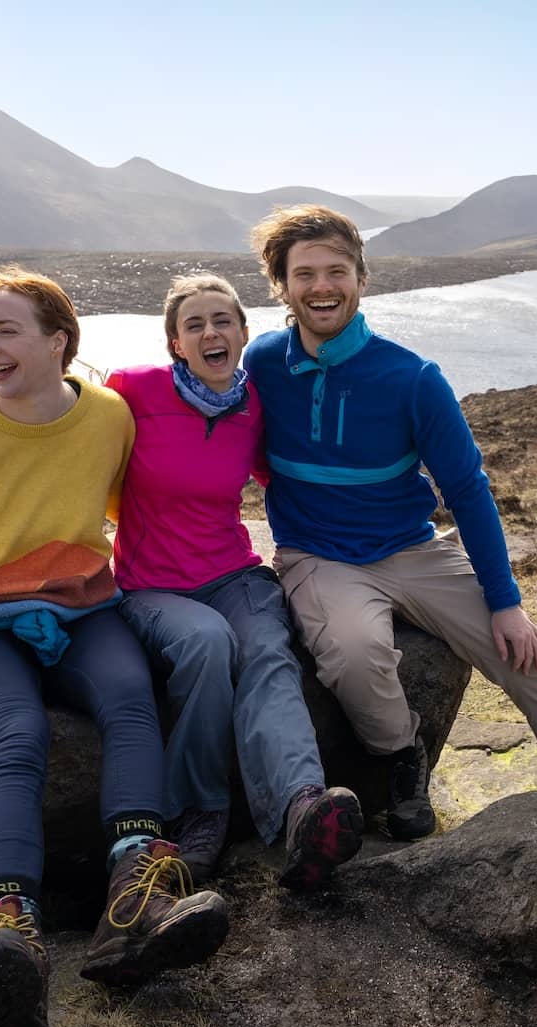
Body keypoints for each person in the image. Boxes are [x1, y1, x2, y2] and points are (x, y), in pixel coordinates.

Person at [0, 266, 226, 1027]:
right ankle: (6, 929)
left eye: (6, 331)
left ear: (59, 341)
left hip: (82, 608)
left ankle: (136, 896)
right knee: (16, 732)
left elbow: (120, 501)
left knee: (132, 698)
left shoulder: (106, 416)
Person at [242, 206, 537, 841]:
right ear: (280, 285)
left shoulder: (413, 378)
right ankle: (402, 756)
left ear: (361, 277)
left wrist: (505, 602)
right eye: (303, 273)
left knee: (527, 654)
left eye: (336, 270)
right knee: (359, 655)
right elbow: (222, 437)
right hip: (319, 557)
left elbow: (468, 491)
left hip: (414, 550)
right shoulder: (261, 364)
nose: (321, 287)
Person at [106, 272, 363, 892]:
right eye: (194, 324)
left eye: (223, 320)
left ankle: (303, 808)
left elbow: (283, 477)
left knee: (267, 652)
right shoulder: (133, 391)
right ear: (175, 343)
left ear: (244, 333)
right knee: (206, 644)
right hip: (151, 588)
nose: (210, 332)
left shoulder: (252, 406)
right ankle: (200, 814)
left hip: (231, 574)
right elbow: (80, 459)